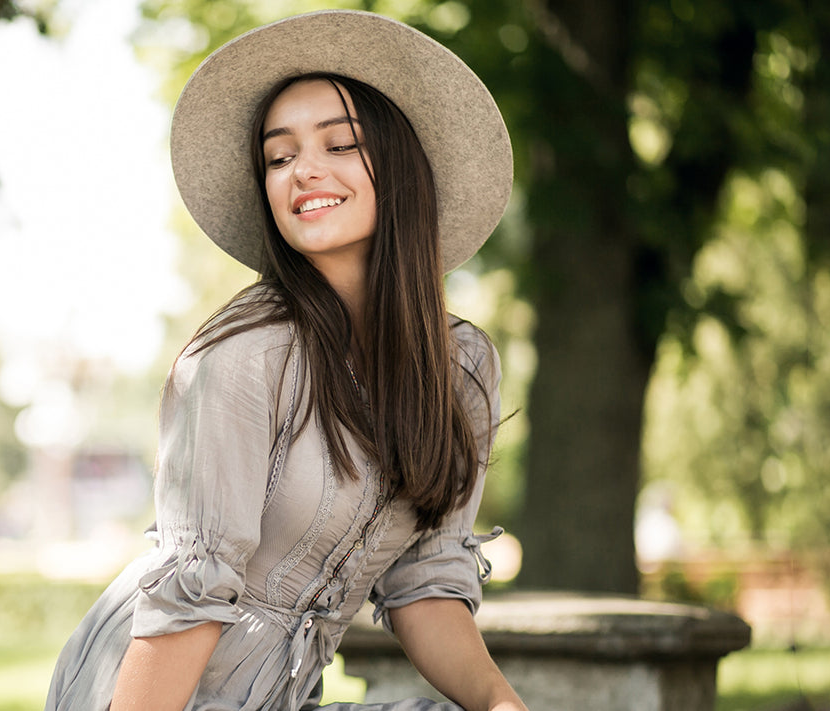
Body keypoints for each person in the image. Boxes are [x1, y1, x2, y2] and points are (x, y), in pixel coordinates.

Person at [44, 10, 526, 711]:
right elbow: (193, 591)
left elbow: (426, 584)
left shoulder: (461, 368)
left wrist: (501, 704)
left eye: (340, 145)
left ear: (402, 168)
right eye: (279, 156)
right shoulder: (241, 356)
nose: (305, 171)